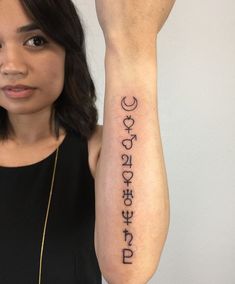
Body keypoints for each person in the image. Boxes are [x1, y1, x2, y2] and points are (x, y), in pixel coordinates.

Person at [0, 0, 175, 283]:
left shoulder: (102, 149)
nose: (11, 66)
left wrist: (129, 39)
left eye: (35, 40)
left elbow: (129, 271)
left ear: (68, 50)